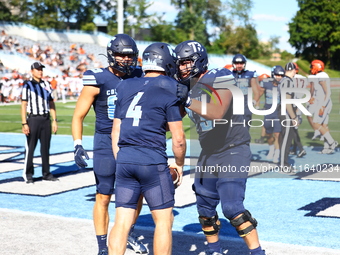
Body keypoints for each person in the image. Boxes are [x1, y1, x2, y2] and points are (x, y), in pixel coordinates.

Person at [175, 40, 265, 255]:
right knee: (205, 210)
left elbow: (217, 112)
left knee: (233, 209)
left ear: (199, 61)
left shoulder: (220, 76)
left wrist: (186, 99)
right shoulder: (187, 86)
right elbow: (173, 119)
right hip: (208, 153)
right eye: (180, 64)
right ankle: (213, 250)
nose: (183, 68)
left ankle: (258, 253)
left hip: (233, 149)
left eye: (187, 62)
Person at [108, 42, 186, 255]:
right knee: (163, 221)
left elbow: (116, 130)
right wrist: (179, 165)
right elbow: (178, 138)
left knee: (122, 222)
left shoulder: (125, 85)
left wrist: (122, 158)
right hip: (152, 162)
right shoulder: (171, 87)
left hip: (125, 159)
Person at [71, 34, 147, 255]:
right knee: (104, 195)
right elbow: (78, 116)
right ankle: (102, 245)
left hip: (134, 141)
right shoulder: (98, 79)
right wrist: (77, 144)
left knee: (139, 193)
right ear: (112, 55)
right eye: (122, 55)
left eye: (130, 55)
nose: (126, 60)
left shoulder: (140, 75)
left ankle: (127, 231)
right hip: (105, 141)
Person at [21, 61, 59, 184]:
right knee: (30, 148)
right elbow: (23, 105)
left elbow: (51, 103)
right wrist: (24, 123)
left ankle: (46, 173)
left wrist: (54, 120)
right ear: (32, 71)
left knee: (45, 148)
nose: (40, 71)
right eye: (37, 69)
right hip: (33, 119)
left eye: (41, 69)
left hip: (45, 119)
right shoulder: (27, 85)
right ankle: (28, 174)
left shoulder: (46, 84)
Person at [307, 60, 338, 154]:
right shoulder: (318, 76)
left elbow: (328, 92)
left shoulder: (322, 76)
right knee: (324, 125)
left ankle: (332, 142)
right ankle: (327, 147)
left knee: (316, 123)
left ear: (317, 67)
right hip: (322, 102)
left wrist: (323, 106)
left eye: (312, 66)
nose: (311, 68)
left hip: (323, 103)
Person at [257, 66, 283, 163]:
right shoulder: (266, 83)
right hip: (267, 111)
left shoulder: (283, 85)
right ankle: (271, 148)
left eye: (281, 75)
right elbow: (259, 93)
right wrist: (255, 102)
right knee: (268, 134)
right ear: (273, 75)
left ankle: (277, 153)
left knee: (277, 134)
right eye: (277, 75)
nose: (279, 77)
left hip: (278, 112)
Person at [278, 62, 300, 169]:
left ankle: (284, 162)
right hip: (285, 113)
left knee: (287, 138)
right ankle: (283, 164)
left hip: (285, 111)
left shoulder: (284, 80)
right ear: (294, 70)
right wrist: (294, 117)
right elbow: (287, 101)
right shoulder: (287, 81)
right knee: (286, 139)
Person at [231, 54, 259, 129]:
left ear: (245, 64)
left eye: (241, 63)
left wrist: (254, 101)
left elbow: (256, 91)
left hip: (246, 103)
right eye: (237, 63)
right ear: (233, 64)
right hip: (233, 103)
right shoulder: (229, 75)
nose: (239, 65)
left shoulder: (250, 74)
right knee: (233, 127)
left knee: (245, 126)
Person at [290, 63, 307, 157]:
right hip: (300, 102)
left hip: (295, 104)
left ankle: (300, 149)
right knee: (294, 127)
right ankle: (295, 148)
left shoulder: (292, 79)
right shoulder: (303, 78)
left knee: (293, 128)